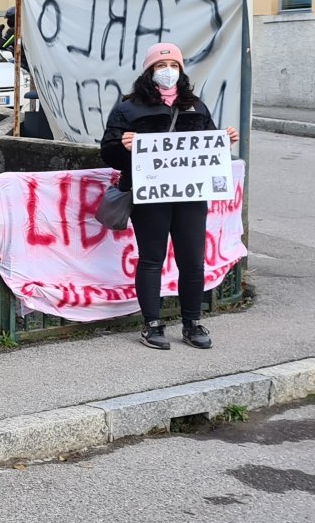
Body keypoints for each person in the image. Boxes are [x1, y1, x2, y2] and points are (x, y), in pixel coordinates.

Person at [100, 44, 240, 350]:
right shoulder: (128, 108)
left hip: (190, 196)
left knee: (192, 260)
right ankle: (152, 324)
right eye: (161, 64)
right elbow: (107, 152)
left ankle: (192, 322)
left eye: (173, 64)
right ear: (149, 71)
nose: (168, 70)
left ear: (181, 70)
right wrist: (123, 147)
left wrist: (223, 142)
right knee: (152, 258)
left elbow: (208, 150)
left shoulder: (196, 106)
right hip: (150, 196)